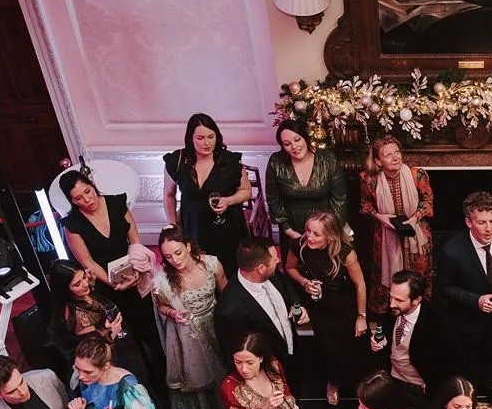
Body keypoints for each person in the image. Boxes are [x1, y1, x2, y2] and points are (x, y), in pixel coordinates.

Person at [61, 168, 162, 367]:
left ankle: (163, 373)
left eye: (88, 192)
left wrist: (135, 269)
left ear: (92, 186)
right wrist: (113, 282)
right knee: (125, 338)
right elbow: (87, 261)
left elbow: (133, 237)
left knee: (150, 329)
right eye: (78, 198)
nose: (87, 200)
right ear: (72, 201)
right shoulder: (72, 225)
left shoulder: (116, 203)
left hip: (133, 273)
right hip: (107, 286)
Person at [434, 189, 492, 393]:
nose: (489, 228)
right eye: (481, 222)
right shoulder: (451, 251)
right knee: (469, 365)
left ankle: (491, 391)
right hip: (467, 322)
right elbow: (444, 287)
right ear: (468, 222)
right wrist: (477, 300)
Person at [285, 210, 369, 405]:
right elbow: (289, 269)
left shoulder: (345, 252)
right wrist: (304, 281)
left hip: (344, 304)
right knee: (328, 347)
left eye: (316, 234)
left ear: (330, 236)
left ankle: (360, 384)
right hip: (319, 305)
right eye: (308, 231)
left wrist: (361, 316)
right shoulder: (299, 246)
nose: (309, 237)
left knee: (352, 344)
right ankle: (334, 381)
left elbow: (360, 285)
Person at [151, 227, 227, 409]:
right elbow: (161, 307)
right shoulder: (163, 281)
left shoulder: (211, 264)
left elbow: (226, 294)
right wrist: (173, 314)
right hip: (188, 334)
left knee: (223, 367)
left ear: (187, 246)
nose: (174, 260)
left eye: (178, 253)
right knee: (201, 375)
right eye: (168, 256)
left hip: (215, 324)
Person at [162, 112, 249, 279]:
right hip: (193, 226)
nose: (207, 142)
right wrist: (173, 225)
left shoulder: (230, 161)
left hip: (226, 227)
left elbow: (246, 191)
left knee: (228, 270)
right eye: (200, 138)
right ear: (190, 138)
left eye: (211, 136)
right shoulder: (177, 161)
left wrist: (228, 201)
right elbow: (168, 195)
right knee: (199, 270)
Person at [47, 259, 154, 388]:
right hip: (113, 359)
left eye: (84, 277)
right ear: (65, 289)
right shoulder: (78, 316)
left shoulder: (81, 294)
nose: (85, 284)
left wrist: (91, 282)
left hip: (123, 343)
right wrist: (111, 333)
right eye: (77, 284)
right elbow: (96, 351)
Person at [360, 135, 433, 314]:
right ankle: (392, 311)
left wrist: (415, 217)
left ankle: (418, 312)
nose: (396, 157)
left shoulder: (418, 175)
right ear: (378, 161)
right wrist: (379, 216)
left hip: (417, 233)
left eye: (397, 152)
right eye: (388, 154)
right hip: (386, 235)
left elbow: (428, 200)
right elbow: (365, 205)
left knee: (418, 272)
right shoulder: (370, 180)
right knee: (388, 274)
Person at [214, 236, 308, 375]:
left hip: (293, 356)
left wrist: (297, 305)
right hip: (266, 372)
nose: (278, 261)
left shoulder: (272, 274)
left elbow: (286, 286)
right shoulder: (229, 311)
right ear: (261, 268)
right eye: (274, 259)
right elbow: (235, 356)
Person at [264, 119, 347, 244]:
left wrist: (330, 232)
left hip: (325, 230)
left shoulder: (328, 159)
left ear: (305, 137)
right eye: (287, 144)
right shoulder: (276, 162)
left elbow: (340, 200)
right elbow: (273, 200)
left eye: (297, 140)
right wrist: (289, 231)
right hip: (292, 230)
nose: (294, 147)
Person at [219, 331, 301, 409]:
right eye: (238, 362)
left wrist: (291, 406)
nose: (244, 369)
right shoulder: (231, 387)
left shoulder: (273, 365)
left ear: (261, 358)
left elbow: (285, 390)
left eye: (250, 362)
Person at [371, 269, 446, 397]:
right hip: (392, 379)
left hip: (419, 387)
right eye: (391, 297)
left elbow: (444, 365)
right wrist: (380, 340)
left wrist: (431, 388)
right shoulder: (394, 309)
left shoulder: (436, 323)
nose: (391, 304)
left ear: (416, 300)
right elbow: (386, 329)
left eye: (399, 300)